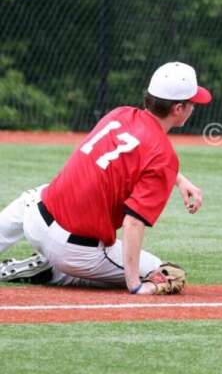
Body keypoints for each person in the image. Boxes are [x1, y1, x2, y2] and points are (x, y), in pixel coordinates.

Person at [0, 61, 211, 295]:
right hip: (72, 252)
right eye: (192, 103)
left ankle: (44, 263)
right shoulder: (163, 156)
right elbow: (133, 222)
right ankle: (56, 272)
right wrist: (135, 284)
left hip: (34, 219)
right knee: (166, 271)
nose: (195, 107)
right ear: (178, 109)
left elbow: (135, 157)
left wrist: (179, 179)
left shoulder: (120, 114)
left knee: (35, 195)